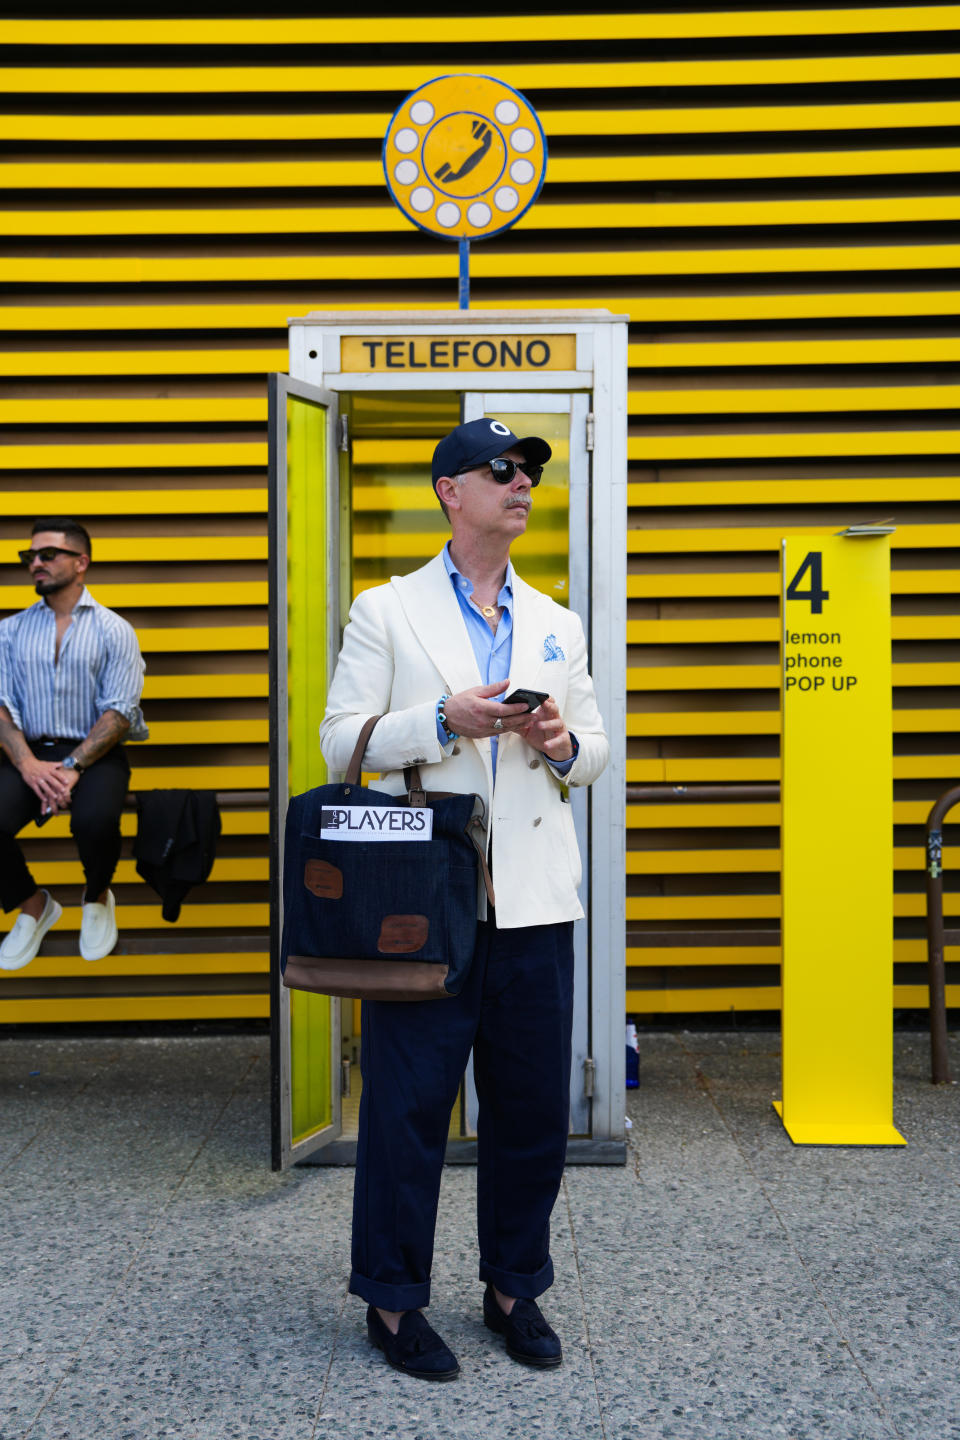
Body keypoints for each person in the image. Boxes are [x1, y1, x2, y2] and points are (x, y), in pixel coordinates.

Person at [319, 417, 609, 1380]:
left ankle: (514, 1288)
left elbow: (597, 753)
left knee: (529, 1111)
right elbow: (339, 741)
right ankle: (394, 1304)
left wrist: (562, 744)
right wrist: (444, 719)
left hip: (533, 904)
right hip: (424, 905)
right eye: (502, 469)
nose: (522, 482)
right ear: (450, 489)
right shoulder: (387, 610)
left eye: (529, 470)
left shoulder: (557, 621)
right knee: (406, 1109)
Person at [0, 518, 146, 971]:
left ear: (80, 562)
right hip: (26, 752)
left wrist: (70, 767)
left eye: (47, 555)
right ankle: (32, 905)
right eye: (30, 556)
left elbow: (119, 712)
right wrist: (27, 765)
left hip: (95, 754)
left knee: (96, 821)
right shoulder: (10, 631)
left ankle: (97, 894)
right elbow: (1, 706)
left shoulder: (114, 629)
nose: (35, 564)